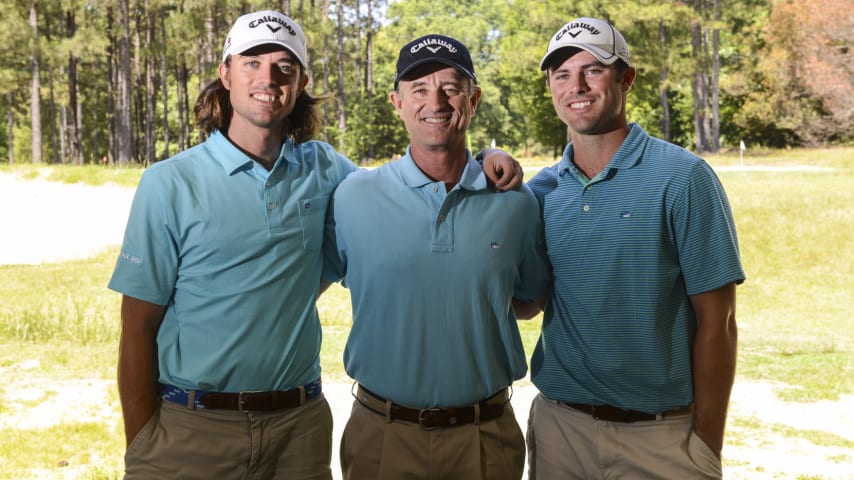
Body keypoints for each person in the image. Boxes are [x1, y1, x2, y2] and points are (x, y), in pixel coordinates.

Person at [108, 10, 521, 480]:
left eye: (284, 66)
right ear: (225, 74)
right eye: (252, 62)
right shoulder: (169, 183)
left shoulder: (326, 170)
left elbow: (408, 186)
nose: (268, 77)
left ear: (301, 81)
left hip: (298, 428)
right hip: (192, 428)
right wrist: (140, 442)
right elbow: (136, 327)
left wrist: (485, 157)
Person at [525, 17, 746, 479]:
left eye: (593, 70)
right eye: (561, 75)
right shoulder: (543, 191)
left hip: (662, 441)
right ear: (550, 88)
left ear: (626, 78)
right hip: (561, 433)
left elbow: (718, 321)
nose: (576, 86)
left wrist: (706, 444)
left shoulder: (683, 178)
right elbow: (527, 303)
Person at [323, 34, 551, 480]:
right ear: (397, 102)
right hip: (382, 434)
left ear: (474, 98)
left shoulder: (517, 204)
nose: (437, 101)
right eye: (419, 89)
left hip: (485, 437)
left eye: (451, 87)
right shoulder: (353, 196)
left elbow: (528, 299)